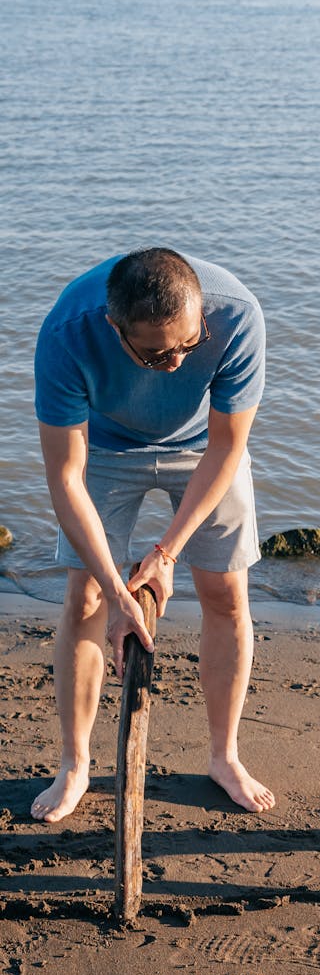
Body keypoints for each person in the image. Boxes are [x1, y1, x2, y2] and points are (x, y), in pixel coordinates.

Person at [31, 247, 275, 823]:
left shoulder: (236, 315)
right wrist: (119, 592)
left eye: (190, 344)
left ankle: (224, 757)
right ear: (115, 328)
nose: (178, 362)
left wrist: (166, 553)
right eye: (158, 353)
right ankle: (75, 764)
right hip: (104, 447)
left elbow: (227, 446)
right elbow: (66, 478)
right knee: (86, 597)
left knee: (225, 594)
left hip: (204, 450)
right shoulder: (67, 333)